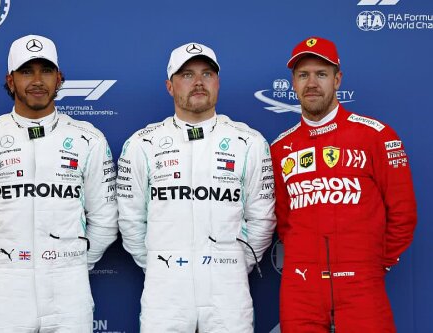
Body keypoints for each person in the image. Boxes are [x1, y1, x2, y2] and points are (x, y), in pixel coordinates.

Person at [0, 34, 118, 332]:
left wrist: (73, 263)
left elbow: (105, 220)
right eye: (27, 71)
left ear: (59, 78)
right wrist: (5, 267)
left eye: (46, 70)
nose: (37, 80)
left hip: (69, 288)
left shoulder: (88, 139)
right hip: (6, 291)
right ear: (10, 80)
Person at [116, 42, 276, 332]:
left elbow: (262, 219)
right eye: (187, 75)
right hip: (165, 289)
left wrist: (232, 264)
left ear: (218, 82)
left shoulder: (250, 142)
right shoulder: (142, 144)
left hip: (228, 289)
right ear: (169, 86)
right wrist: (160, 261)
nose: (199, 82)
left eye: (207, 74)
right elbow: (130, 221)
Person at [270, 36, 417, 332]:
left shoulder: (377, 135)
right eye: (303, 75)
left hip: (362, 284)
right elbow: (283, 221)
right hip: (301, 288)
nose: (312, 83)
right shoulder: (280, 148)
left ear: (337, 80)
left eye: (321, 74)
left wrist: (374, 264)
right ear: (293, 84)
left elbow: (403, 214)